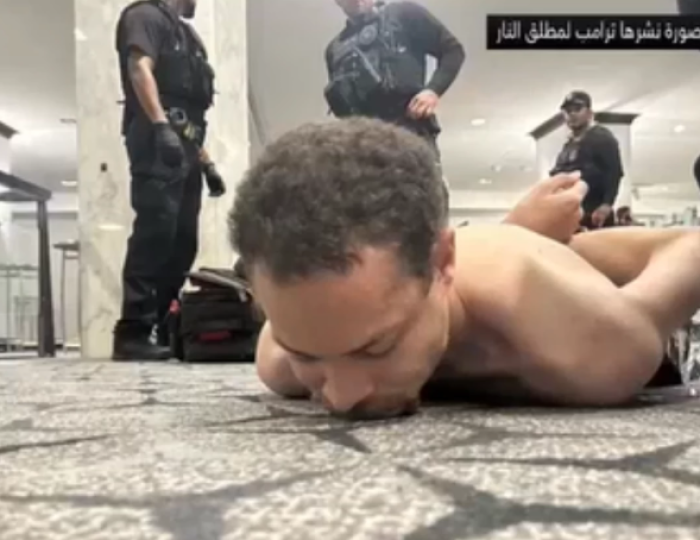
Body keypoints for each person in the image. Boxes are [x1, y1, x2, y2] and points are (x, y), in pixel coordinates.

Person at [229, 118, 700, 419]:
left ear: (442, 264)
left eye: (377, 347)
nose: (340, 397)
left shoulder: (587, 347)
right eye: (308, 355)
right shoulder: (280, 359)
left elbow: (692, 247)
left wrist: (516, 237)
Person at [113, 0, 226, 360]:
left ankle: (164, 326)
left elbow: (189, 112)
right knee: (156, 231)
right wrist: (160, 126)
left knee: (183, 240)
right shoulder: (144, 16)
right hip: (155, 137)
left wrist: (206, 163)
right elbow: (139, 68)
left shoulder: (187, 35)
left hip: (185, 144)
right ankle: (133, 331)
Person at [324, 0, 464, 156]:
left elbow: (453, 50)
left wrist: (433, 90)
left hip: (410, 131)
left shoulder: (403, 14)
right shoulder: (335, 49)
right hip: (365, 146)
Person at [550, 91, 624, 230]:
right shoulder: (569, 145)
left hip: (595, 213)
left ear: (589, 113)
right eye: (568, 111)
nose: (572, 114)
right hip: (571, 213)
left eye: (577, 109)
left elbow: (614, 172)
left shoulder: (601, 137)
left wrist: (606, 204)